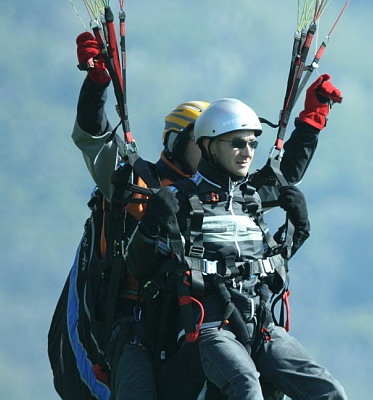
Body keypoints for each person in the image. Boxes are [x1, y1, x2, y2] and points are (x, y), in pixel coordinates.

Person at [66, 31, 343, 400]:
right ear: (184, 143)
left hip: (216, 311)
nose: (240, 151)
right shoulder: (138, 184)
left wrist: (311, 121)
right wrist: (97, 83)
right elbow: (94, 139)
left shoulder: (230, 194)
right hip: (139, 320)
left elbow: (282, 178)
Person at [126, 97, 348, 399]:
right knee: (246, 386)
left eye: (252, 144)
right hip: (210, 328)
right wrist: (151, 224)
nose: (247, 153)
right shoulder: (179, 200)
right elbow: (140, 267)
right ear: (209, 146)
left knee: (329, 391)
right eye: (237, 144)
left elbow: (271, 263)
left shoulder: (251, 200)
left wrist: (298, 230)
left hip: (261, 326)